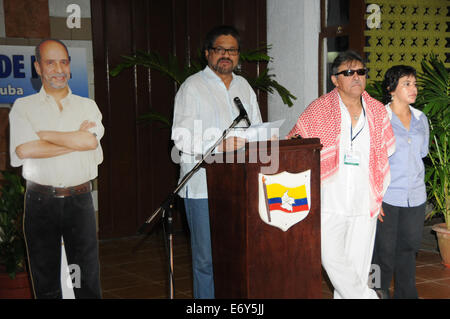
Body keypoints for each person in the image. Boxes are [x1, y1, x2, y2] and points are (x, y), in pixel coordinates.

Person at [287, 50, 395, 299]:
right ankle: (368, 297)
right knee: (330, 256)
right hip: (329, 199)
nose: (356, 77)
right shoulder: (319, 109)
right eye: (348, 72)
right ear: (335, 79)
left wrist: (378, 197)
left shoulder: (378, 111)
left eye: (360, 72)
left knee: (357, 266)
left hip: (364, 199)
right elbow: (297, 142)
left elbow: (384, 157)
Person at [171, 25, 262, 298]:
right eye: (220, 49)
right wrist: (216, 146)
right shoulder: (192, 87)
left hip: (239, 187)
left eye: (232, 50)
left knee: (235, 257)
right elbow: (180, 138)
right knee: (206, 261)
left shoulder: (244, 86)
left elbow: (255, 127)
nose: (226, 55)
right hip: (202, 188)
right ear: (207, 54)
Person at [9, 39, 104, 298]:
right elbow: (24, 151)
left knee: (86, 280)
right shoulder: (23, 108)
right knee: (46, 281)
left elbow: (89, 140)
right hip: (40, 202)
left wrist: (46, 135)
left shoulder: (88, 107)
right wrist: (75, 140)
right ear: (38, 68)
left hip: (80, 200)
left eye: (63, 61)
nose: (58, 69)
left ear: (70, 66)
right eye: (50, 62)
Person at [372, 65, 429, 299]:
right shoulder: (379, 118)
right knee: (381, 252)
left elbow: (422, 154)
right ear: (391, 88)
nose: (413, 88)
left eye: (414, 84)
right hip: (387, 197)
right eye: (406, 83)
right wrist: (374, 199)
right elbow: (372, 160)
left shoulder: (420, 118)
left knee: (408, 249)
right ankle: (374, 291)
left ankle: (407, 295)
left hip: (415, 196)